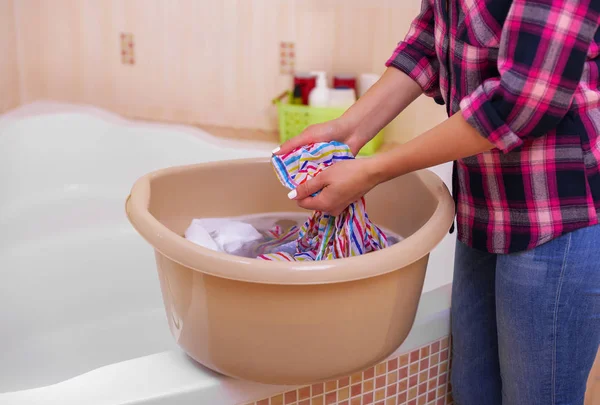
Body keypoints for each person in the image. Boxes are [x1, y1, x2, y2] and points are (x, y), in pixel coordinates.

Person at [273, 0, 600, 404]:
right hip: (485, 205)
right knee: (471, 391)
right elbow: (431, 36)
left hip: (557, 208)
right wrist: (348, 129)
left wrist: (374, 170)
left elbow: (526, 100)